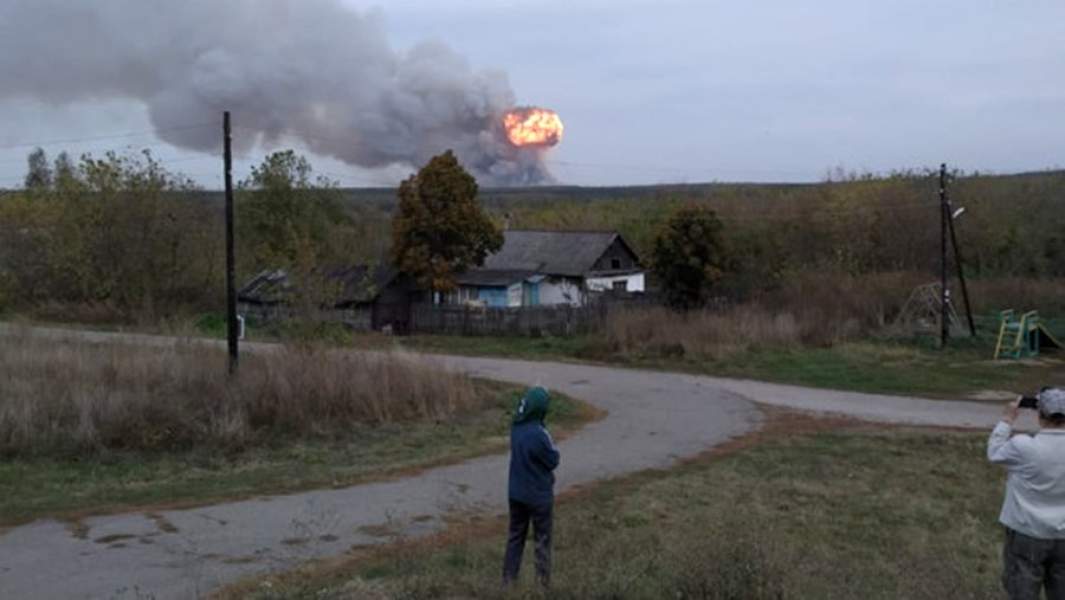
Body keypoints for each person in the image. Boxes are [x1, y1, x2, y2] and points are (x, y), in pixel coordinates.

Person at [988, 387, 1065, 599]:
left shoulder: (1023, 446)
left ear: (1040, 416)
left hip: (1027, 531)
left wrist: (1006, 420)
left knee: (1022, 591)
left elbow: (994, 452)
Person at [502, 386, 560, 587]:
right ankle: (542, 584)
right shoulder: (539, 434)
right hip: (538, 496)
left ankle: (508, 581)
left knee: (515, 537)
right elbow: (553, 460)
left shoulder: (516, 427)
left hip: (516, 492)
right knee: (542, 540)